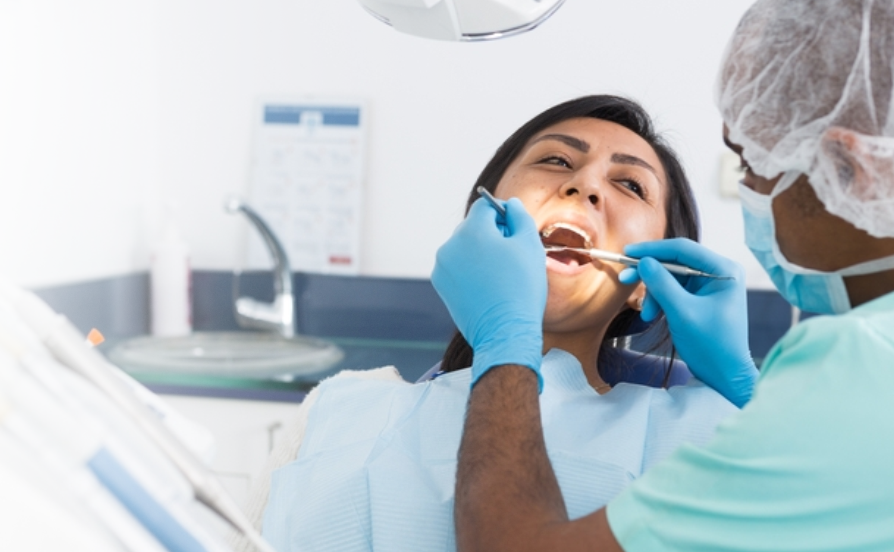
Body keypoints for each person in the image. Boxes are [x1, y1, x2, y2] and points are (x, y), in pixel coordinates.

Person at [439, 0, 894, 551]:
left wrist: (505, 338)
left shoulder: (864, 377)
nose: (584, 187)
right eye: (556, 161)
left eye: (750, 163)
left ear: (850, 170)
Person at [247, 95, 741, 552]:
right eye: (556, 160)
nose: (586, 185)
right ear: (481, 224)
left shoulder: (717, 435)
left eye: (631, 185)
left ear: (646, 285)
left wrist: (748, 396)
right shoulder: (336, 411)